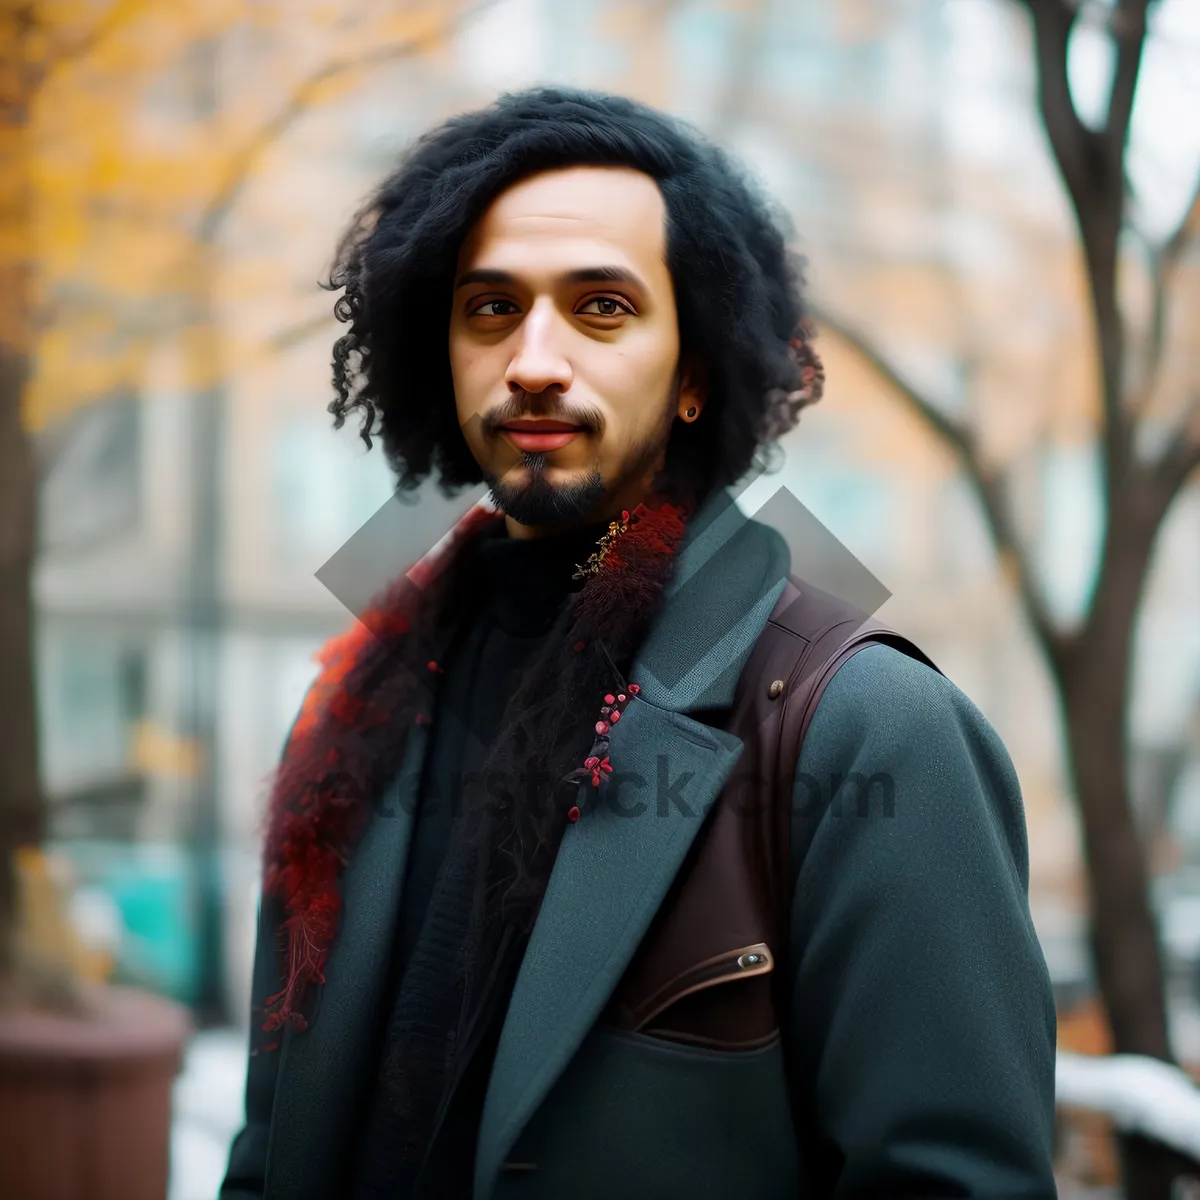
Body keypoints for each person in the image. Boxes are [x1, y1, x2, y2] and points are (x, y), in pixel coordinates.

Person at [220, 86, 1057, 1199]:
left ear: (698, 370)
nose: (534, 359)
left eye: (602, 307)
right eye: (490, 309)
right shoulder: (352, 711)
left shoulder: (867, 726)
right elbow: (269, 1149)